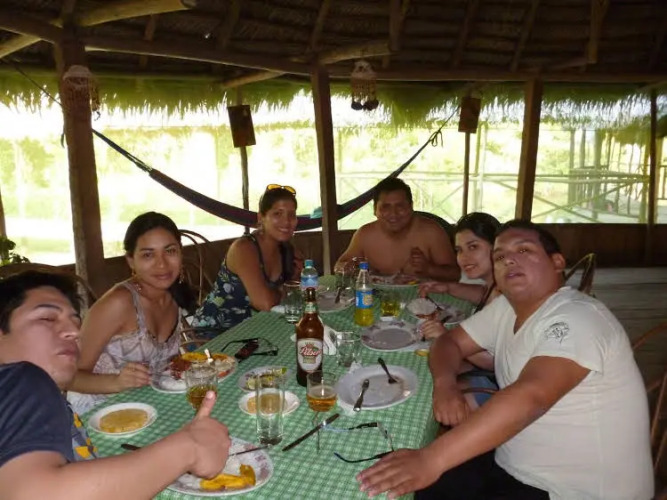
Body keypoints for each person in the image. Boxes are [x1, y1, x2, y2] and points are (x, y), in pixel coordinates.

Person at [357, 220, 653, 500]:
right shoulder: (509, 308)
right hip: (513, 461)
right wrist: (446, 384)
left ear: (557, 262)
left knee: (415, 473)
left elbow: (532, 396)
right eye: (499, 256)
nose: (509, 260)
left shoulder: (578, 317)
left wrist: (431, 460)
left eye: (524, 250)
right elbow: (449, 342)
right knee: (385, 475)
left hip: (571, 491)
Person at [0, 271, 230, 500]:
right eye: (47, 319)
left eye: (75, 320)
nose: (74, 331)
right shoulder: (24, 379)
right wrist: (187, 448)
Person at [68, 212, 195, 414]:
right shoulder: (119, 303)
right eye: (148, 255)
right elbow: (68, 376)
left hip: (147, 406)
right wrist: (116, 382)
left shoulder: (173, 296)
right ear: (131, 261)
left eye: (170, 251)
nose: (162, 264)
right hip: (95, 412)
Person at [193, 184, 302, 331]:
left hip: (255, 328)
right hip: (214, 331)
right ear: (261, 218)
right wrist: (287, 290)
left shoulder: (287, 250)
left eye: (292, 215)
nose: (287, 221)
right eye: (277, 214)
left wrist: (293, 280)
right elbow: (265, 303)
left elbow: (296, 290)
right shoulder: (244, 249)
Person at [335, 178, 459, 281]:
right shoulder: (364, 235)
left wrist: (429, 269)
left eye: (400, 206)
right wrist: (349, 268)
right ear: (375, 210)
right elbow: (339, 267)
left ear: (411, 207)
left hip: (425, 298)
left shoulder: (431, 232)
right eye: (385, 207)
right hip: (377, 298)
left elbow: (456, 274)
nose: (393, 214)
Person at [418, 211, 502, 341]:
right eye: (459, 250)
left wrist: (445, 336)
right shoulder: (496, 285)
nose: (464, 257)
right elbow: (483, 295)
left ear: (497, 246)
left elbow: (493, 352)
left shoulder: (507, 296)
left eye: (473, 247)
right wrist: (448, 287)